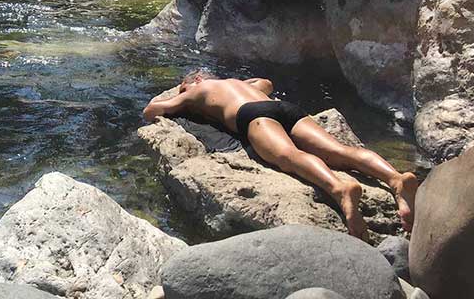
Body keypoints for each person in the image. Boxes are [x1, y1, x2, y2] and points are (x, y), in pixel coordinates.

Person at [142, 70, 418, 238]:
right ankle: (395, 179)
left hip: (252, 116)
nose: (183, 91)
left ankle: (339, 188)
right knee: (339, 151)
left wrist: (182, 98)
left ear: (197, 79)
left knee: (288, 156)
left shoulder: (197, 90)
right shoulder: (246, 84)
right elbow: (267, 82)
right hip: (286, 109)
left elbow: (153, 111)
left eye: (183, 86)